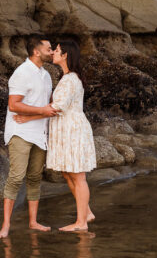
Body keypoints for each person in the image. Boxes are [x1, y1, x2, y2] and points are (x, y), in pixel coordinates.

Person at [15, 39, 96, 231]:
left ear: (65, 55)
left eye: (57, 50)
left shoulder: (70, 79)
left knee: (78, 176)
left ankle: (81, 223)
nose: (53, 53)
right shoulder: (66, 77)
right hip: (64, 128)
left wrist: (28, 117)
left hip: (72, 130)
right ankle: (87, 212)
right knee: (68, 173)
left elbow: (57, 107)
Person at [0, 35, 57, 238]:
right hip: (20, 132)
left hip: (40, 133)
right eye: (49, 48)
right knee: (16, 177)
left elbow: (48, 106)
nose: (52, 51)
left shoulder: (46, 75)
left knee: (34, 178)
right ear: (36, 51)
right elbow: (13, 105)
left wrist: (40, 114)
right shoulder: (21, 73)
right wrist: (41, 112)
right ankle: (5, 225)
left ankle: (33, 222)